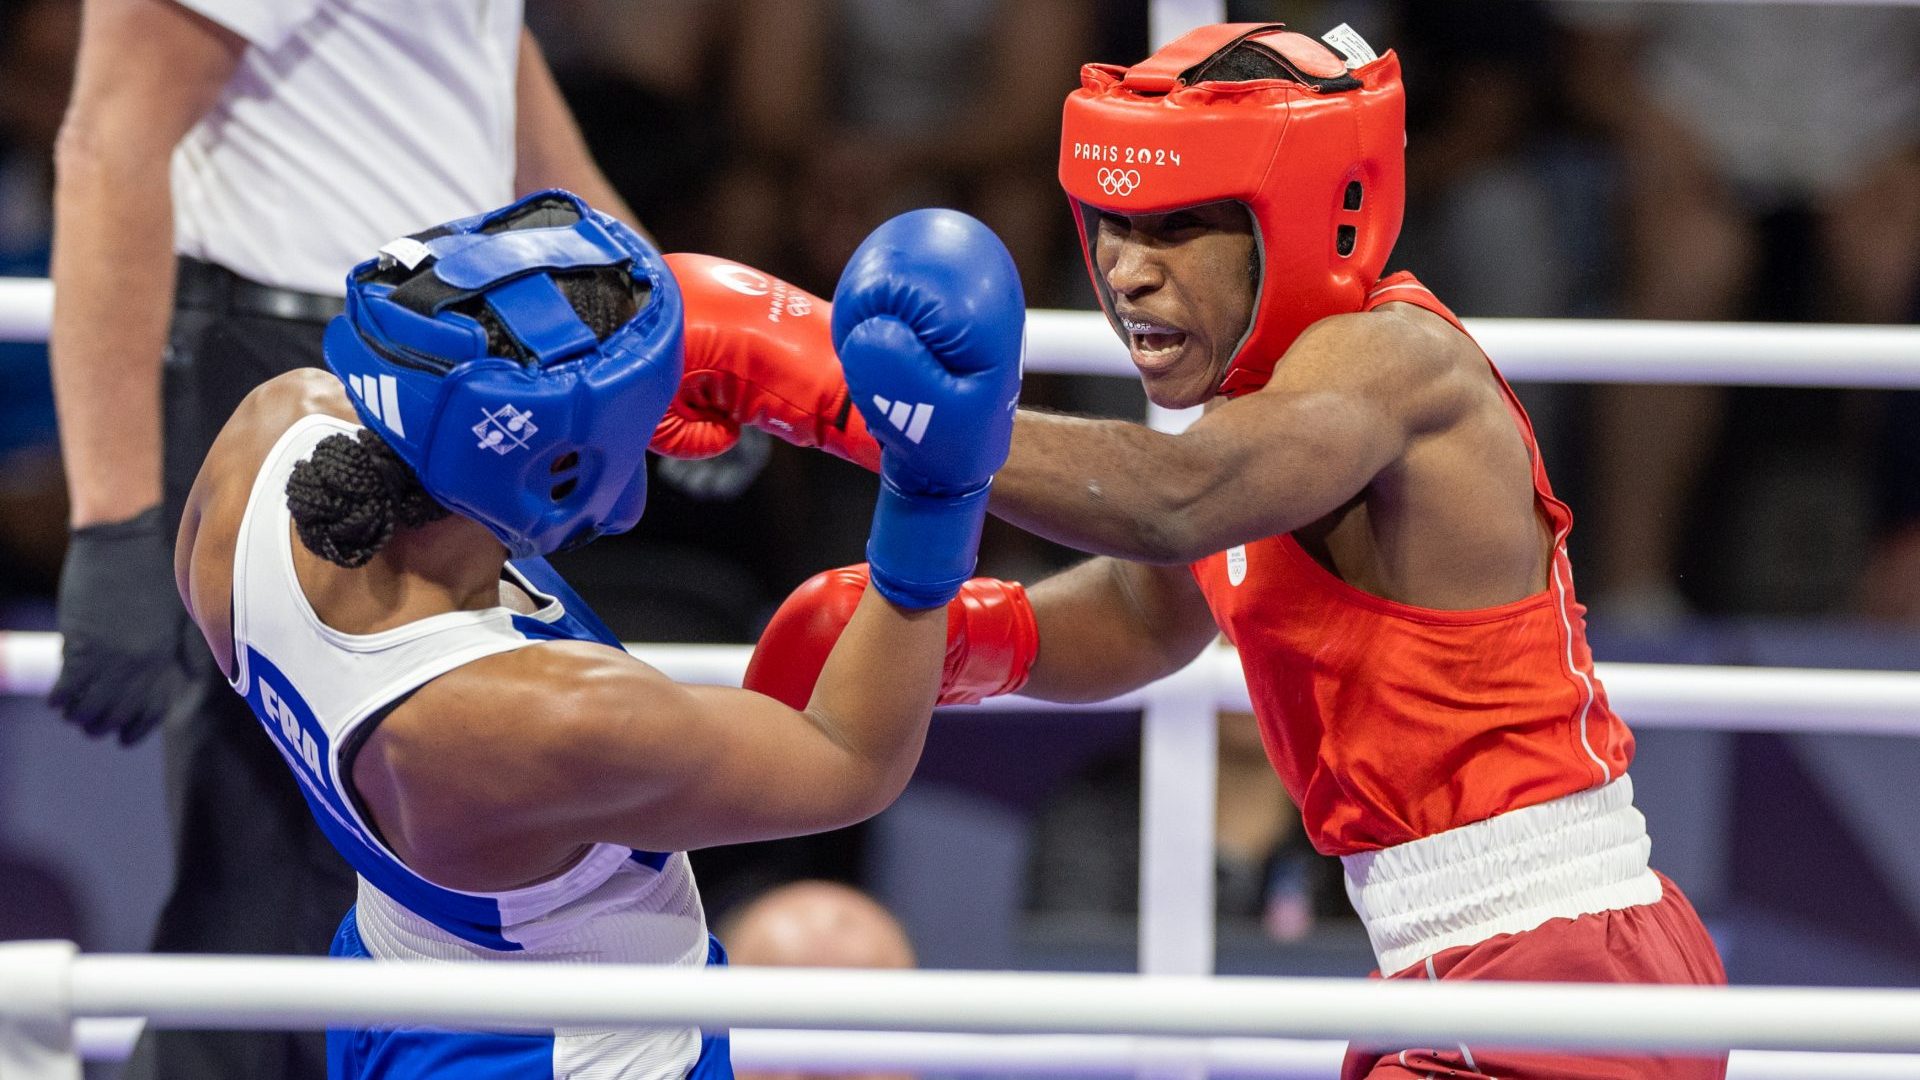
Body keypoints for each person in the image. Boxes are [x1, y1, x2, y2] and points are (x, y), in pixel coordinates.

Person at [654, 23, 1728, 1080]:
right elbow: (1144, 610)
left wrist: (813, 382)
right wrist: (967, 638)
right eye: (1109, 224)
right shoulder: (1266, 412)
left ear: (1310, 218)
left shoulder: (1393, 364)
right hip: (1470, 960)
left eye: (1177, 229)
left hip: (1555, 964)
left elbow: (1173, 504)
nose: (1127, 272)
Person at [173, 192, 1023, 1077]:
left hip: (393, 979)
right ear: (553, 472)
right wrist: (935, 491)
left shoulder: (269, 437)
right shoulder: (547, 717)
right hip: (569, 1049)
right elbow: (851, 760)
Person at [47, 2, 635, 1074]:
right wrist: (115, 519)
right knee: (283, 850)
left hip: (470, 375)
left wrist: (650, 309)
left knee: (432, 849)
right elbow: (110, 138)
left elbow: (482, 59)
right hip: (299, 361)